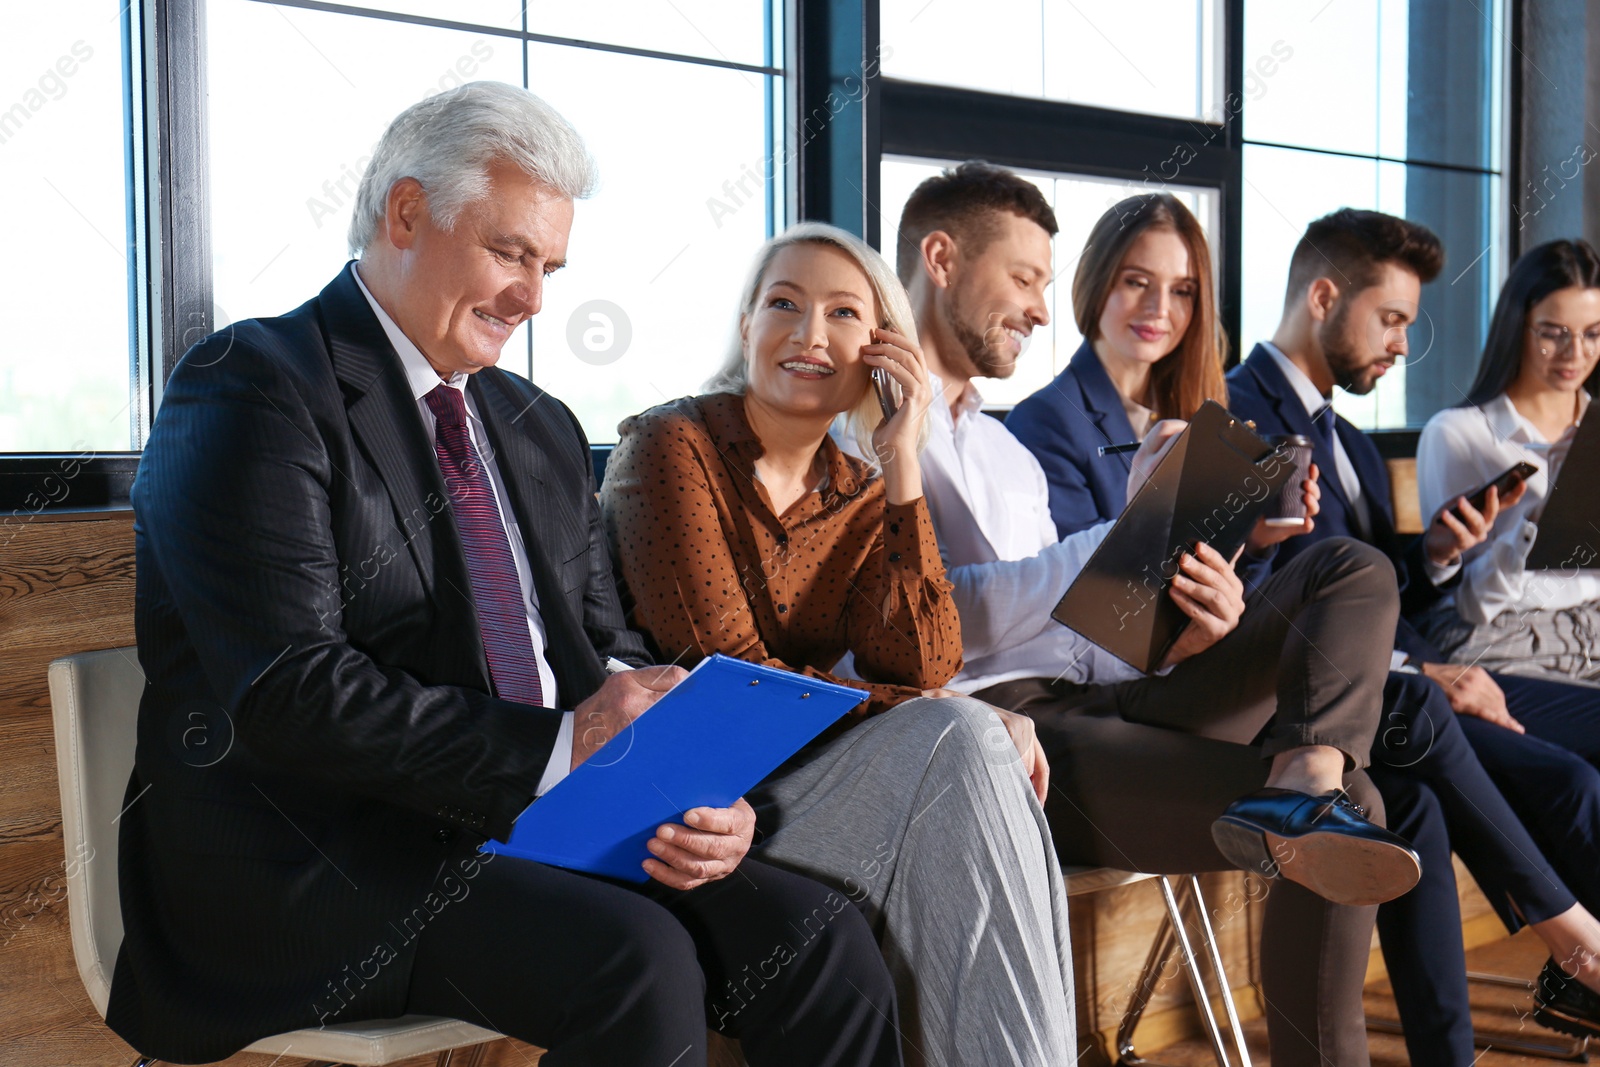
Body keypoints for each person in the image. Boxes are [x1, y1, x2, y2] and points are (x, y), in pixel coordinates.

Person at [111, 83, 904, 1067]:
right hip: (315, 856)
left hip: (530, 823)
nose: (534, 297)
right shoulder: (251, 385)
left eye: (550, 266)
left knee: (819, 934)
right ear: (406, 213)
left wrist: (688, 785)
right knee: (638, 956)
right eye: (509, 253)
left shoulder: (537, 423)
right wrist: (562, 742)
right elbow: (289, 690)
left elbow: (600, 647)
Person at [883, 162, 1422, 1067]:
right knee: (1358, 801)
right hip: (1004, 739)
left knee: (1351, 569)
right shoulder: (880, 429)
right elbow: (931, 626)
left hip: (1098, 697)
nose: (1041, 311)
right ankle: (1309, 790)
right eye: (1025, 281)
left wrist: (1188, 626)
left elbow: (1077, 635)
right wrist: (1123, 532)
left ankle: (1306, 776)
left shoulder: (1006, 451)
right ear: (939, 259)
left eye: (1043, 286)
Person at [600, 221, 1077, 1067]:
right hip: (691, 794)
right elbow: (731, 671)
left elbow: (923, 658)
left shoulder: (859, 491)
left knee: (967, 769)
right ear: (747, 325)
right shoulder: (671, 446)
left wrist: (902, 465)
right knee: (966, 739)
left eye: (844, 314)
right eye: (783, 303)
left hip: (797, 789)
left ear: (879, 349)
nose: (810, 334)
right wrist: (950, 709)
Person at [1415, 238, 1600, 688]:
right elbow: (1473, 605)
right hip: (1504, 636)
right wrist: (1531, 527)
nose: (1575, 354)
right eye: (1553, 333)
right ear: (1519, 327)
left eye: (1593, 333)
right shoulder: (1459, 434)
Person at [1006, 192, 1226, 538]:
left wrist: (1256, 539)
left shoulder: (1196, 404)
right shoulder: (1045, 422)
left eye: (1182, 291)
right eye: (1137, 282)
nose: (1160, 308)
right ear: (1098, 280)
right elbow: (1080, 582)